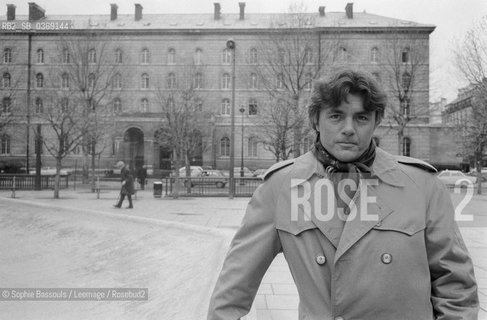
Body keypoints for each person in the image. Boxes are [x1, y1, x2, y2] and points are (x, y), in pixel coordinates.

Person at [207, 70, 478, 319]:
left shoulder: (422, 185)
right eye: (336, 115)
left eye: (361, 117)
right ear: (316, 120)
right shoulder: (281, 187)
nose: (349, 128)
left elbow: (456, 287)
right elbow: (234, 288)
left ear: (376, 121)